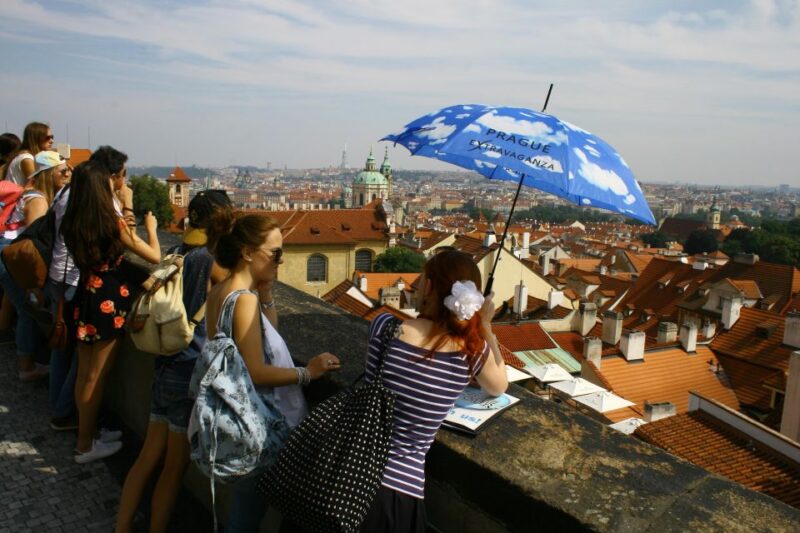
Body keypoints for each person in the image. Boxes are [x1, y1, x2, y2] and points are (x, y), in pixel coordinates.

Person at [203, 209, 341, 533]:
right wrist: (308, 372)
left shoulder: (222, 291)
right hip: (261, 427)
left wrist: (265, 293)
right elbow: (256, 370)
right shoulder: (243, 300)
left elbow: (264, 337)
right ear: (248, 253)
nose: (281, 259)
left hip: (239, 419)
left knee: (244, 511)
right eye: (275, 252)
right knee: (246, 519)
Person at [359, 250, 508, 532]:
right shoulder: (470, 351)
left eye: (421, 278)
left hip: (352, 469)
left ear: (429, 287)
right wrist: (485, 326)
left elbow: (371, 388)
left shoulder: (385, 327)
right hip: (399, 492)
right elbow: (499, 385)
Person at [115, 190, 231, 533]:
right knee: (173, 466)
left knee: (149, 456)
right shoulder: (211, 261)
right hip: (189, 369)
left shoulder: (178, 252)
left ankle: (122, 526)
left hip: (165, 364)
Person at [61, 161, 162, 463]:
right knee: (97, 376)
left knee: (84, 374)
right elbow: (155, 256)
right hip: (107, 299)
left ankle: (88, 433)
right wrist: (151, 227)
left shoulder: (75, 219)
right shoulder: (110, 222)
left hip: (86, 293)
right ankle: (84, 446)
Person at [0, 150, 70, 381]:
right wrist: (34, 284)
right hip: (16, 260)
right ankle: (26, 366)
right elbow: (35, 243)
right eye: (63, 170)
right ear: (48, 174)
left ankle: (27, 361)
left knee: (25, 309)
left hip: (9, 255)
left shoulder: (31, 194)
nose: (67, 174)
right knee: (28, 310)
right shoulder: (38, 199)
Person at [89, 145, 135, 226]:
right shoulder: (106, 205)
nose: (125, 178)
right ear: (113, 178)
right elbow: (130, 236)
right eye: (124, 173)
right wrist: (128, 205)